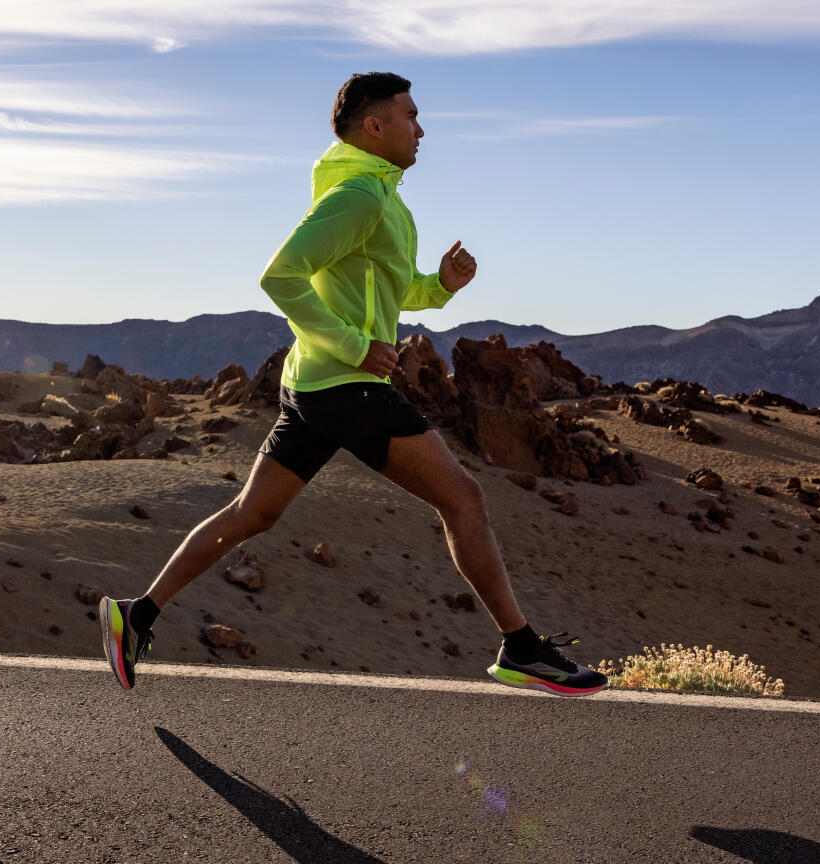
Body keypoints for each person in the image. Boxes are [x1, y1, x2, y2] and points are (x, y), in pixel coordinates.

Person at [100, 72, 606, 698]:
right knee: (463, 499)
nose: (422, 129)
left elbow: (393, 293)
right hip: (345, 385)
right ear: (375, 126)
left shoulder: (385, 201)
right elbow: (279, 277)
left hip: (313, 385)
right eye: (411, 116)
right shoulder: (357, 198)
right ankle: (522, 649)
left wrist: (441, 284)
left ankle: (137, 614)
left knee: (252, 514)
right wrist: (354, 345)